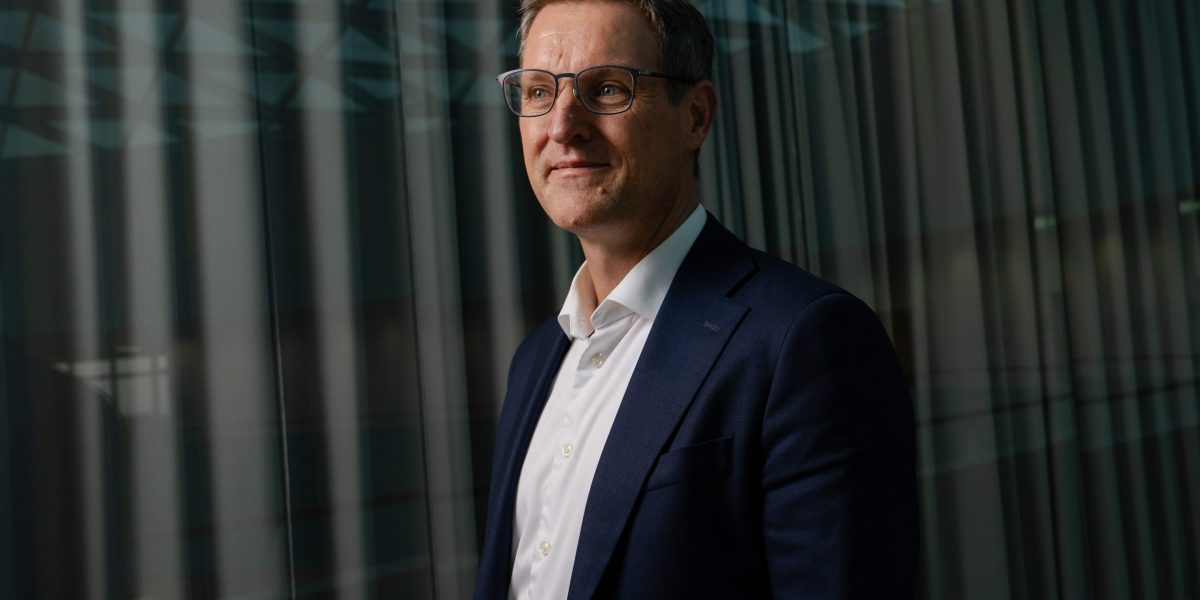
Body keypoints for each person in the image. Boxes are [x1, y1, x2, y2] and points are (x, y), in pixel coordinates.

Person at [475, 0, 917, 597]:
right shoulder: (534, 361)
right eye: (537, 92)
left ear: (696, 116)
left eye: (607, 89)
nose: (562, 126)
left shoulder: (804, 343)